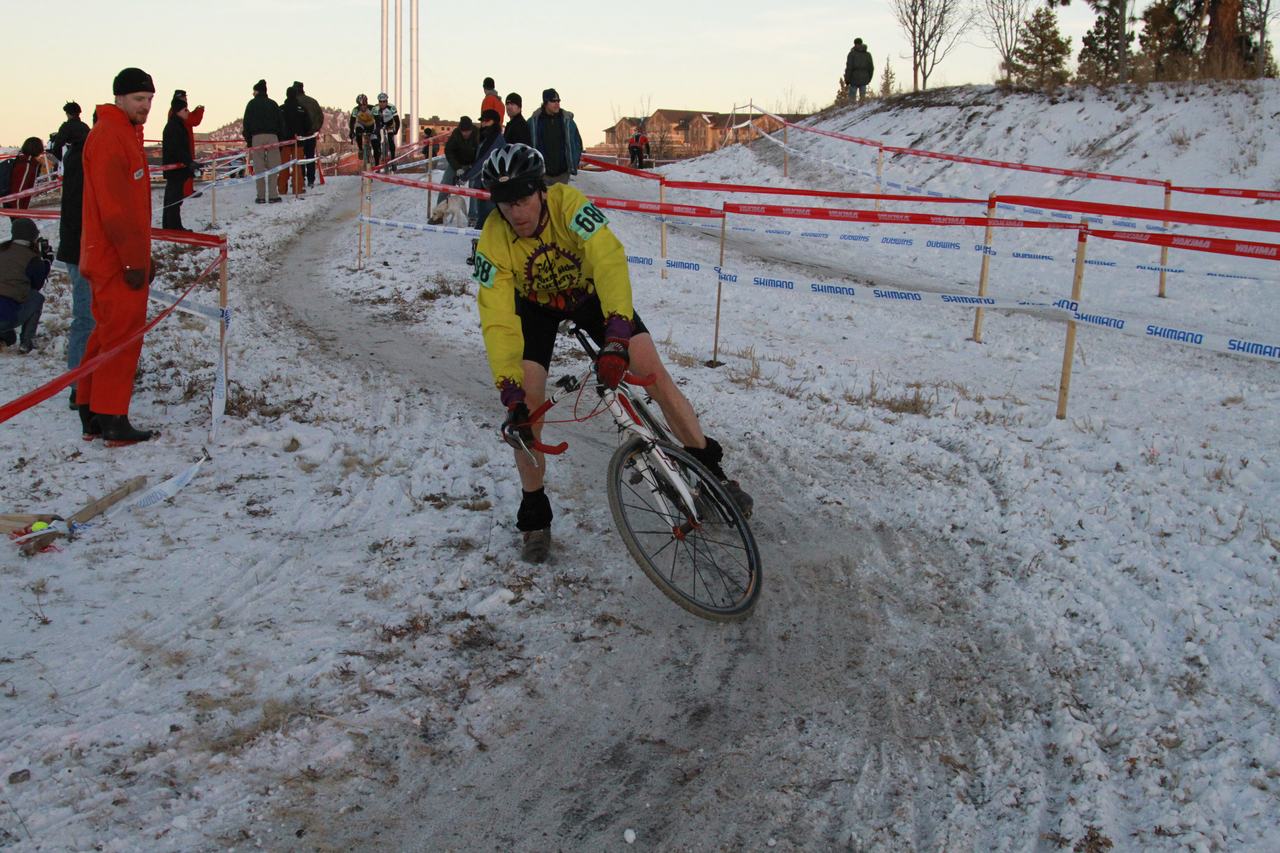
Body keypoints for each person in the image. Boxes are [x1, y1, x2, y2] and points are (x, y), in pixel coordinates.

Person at [471, 144, 752, 562]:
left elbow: (608, 258)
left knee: (651, 372)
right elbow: (496, 316)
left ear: (542, 191)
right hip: (534, 310)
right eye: (505, 204)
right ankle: (534, 516)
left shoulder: (570, 205)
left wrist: (618, 332)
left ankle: (711, 472)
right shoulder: (492, 239)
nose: (516, 212)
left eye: (523, 199)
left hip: (590, 296)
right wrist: (508, 390)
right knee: (527, 414)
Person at [76, 67, 158, 445]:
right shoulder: (111, 136)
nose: (145, 107)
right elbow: (115, 210)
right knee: (122, 337)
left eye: (149, 100)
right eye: (140, 100)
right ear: (120, 98)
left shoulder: (123, 133)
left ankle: (90, 406)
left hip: (115, 253)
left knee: (106, 331)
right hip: (114, 257)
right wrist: (132, 261)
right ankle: (111, 416)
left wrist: (141, 254)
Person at [58, 108, 94, 407]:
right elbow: (80, 209)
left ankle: (85, 378)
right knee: (87, 315)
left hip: (81, 247)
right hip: (83, 249)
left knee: (90, 315)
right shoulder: (84, 159)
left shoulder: (76, 156)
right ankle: (78, 383)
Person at [0, 218, 51, 354]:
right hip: (6, 316)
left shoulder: (2, 249)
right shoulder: (31, 258)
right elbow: (36, 286)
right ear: (33, 235)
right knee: (37, 298)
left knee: (9, 337)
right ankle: (26, 343)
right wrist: (46, 262)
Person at [528, 88, 583, 186]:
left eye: (558, 101)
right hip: (542, 175)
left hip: (562, 174)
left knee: (560, 201)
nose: (557, 103)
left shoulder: (567, 121)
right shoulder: (534, 122)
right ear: (545, 102)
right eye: (553, 101)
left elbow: (577, 143)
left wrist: (572, 163)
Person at [462, 109, 506, 229]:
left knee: (486, 221)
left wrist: (467, 176)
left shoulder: (496, 139)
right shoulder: (485, 138)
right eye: (482, 121)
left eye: (487, 121)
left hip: (492, 186)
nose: (484, 124)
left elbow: (484, 161)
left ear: (495, 122)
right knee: (484, 219)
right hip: (483, 185)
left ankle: (480, 245)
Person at [243, 79, 283, 203]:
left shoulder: (251, 104)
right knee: (274, 166)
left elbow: (247, 123)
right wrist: (280, 140)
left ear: (257, 91)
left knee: (259, 166)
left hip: (257, 137)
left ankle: (260, 196)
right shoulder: (273, 104)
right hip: (272, 136)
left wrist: (249, 141)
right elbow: (281, 123)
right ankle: (273, 195)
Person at [161, 94, 198, 230]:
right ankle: (173, 227)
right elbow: (177, 148)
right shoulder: (174, 126)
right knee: (173, 199)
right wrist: (189, 162)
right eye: (185, 110)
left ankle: (172, 225)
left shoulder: (177, 125)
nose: (187, 113)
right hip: (175, 170)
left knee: (174, 199)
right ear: (178, 111)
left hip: (177, 169)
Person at [172, 89, 205, 200]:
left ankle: (186, 190)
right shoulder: (179, 111)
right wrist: (199, 111)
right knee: (186, 164)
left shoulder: (174, 111)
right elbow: (194, 120)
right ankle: (186, 191)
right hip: (184, 142)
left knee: (185, 165)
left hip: (184, 141)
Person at [438, 115, 476, 207]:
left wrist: (472, 168)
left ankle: (473, 216)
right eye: (463, 131)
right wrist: (457, 167)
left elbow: (481, 153)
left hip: (473, 165)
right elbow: (449, 151)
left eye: (467, 131)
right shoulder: (456, 133)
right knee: (445, 184)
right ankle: (439, 212)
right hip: (456, 163)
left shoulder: (477, 133)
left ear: (471, 129)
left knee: (475, 188)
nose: (465, 134)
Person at [279, 85, 309, 195]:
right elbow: (307, 125)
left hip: (284, 141)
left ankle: (282, 189)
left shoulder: (281, 108)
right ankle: (298, 188)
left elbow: (278, 124)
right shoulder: (301, 109)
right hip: (298, 141)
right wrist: (303, 134)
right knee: (298, 165)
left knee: (284, 166)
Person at [293, 81, 324, 187]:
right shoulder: (312, 102)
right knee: (310, 156)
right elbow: (320, 117)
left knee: (299, 157)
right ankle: (311, 179)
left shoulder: (294, 101)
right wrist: (316, 130)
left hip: (299, 135)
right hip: (311, 134)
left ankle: (301, 178)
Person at [3, 138, 45, 209]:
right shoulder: (26, 165)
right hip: (16, 207)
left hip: (15, 205)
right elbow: (18, 191)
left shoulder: (26, 162)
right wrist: (19, 213)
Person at [349, 96, 379, 166]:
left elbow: (377, 120)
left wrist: (377, 130)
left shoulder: (372, 108)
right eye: (360, 105)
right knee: (358, 131)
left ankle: (377, 166)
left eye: (364, 104)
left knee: (375, 146)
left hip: (371, 125)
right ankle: (360, 149)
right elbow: (352, 122)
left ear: (367, 103)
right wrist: (351, 131)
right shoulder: (355, 110)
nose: (362, 107)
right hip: (361, 125)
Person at [845, 37, 875, 103]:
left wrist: (847, 79)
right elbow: (871, 68)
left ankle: (852, 110)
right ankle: (860, 109)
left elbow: (849, 68)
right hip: (864, 78)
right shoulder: (867, 54)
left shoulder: (851, 54)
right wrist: (869, 78)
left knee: (852, 100)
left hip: (854, 78)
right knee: (863, 99)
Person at [375, 92, 400, 169]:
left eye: (384, 101)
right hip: (380, 123)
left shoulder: (391, 107)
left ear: (387, 101)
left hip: (390, 124)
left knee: (390, 140)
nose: (382, 103)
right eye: (380, 102)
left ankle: (393, 160)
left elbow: (397, 120)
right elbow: (374, 121)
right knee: (376, 138)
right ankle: (378, 157)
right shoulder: (376, 108)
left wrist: (396, 130)